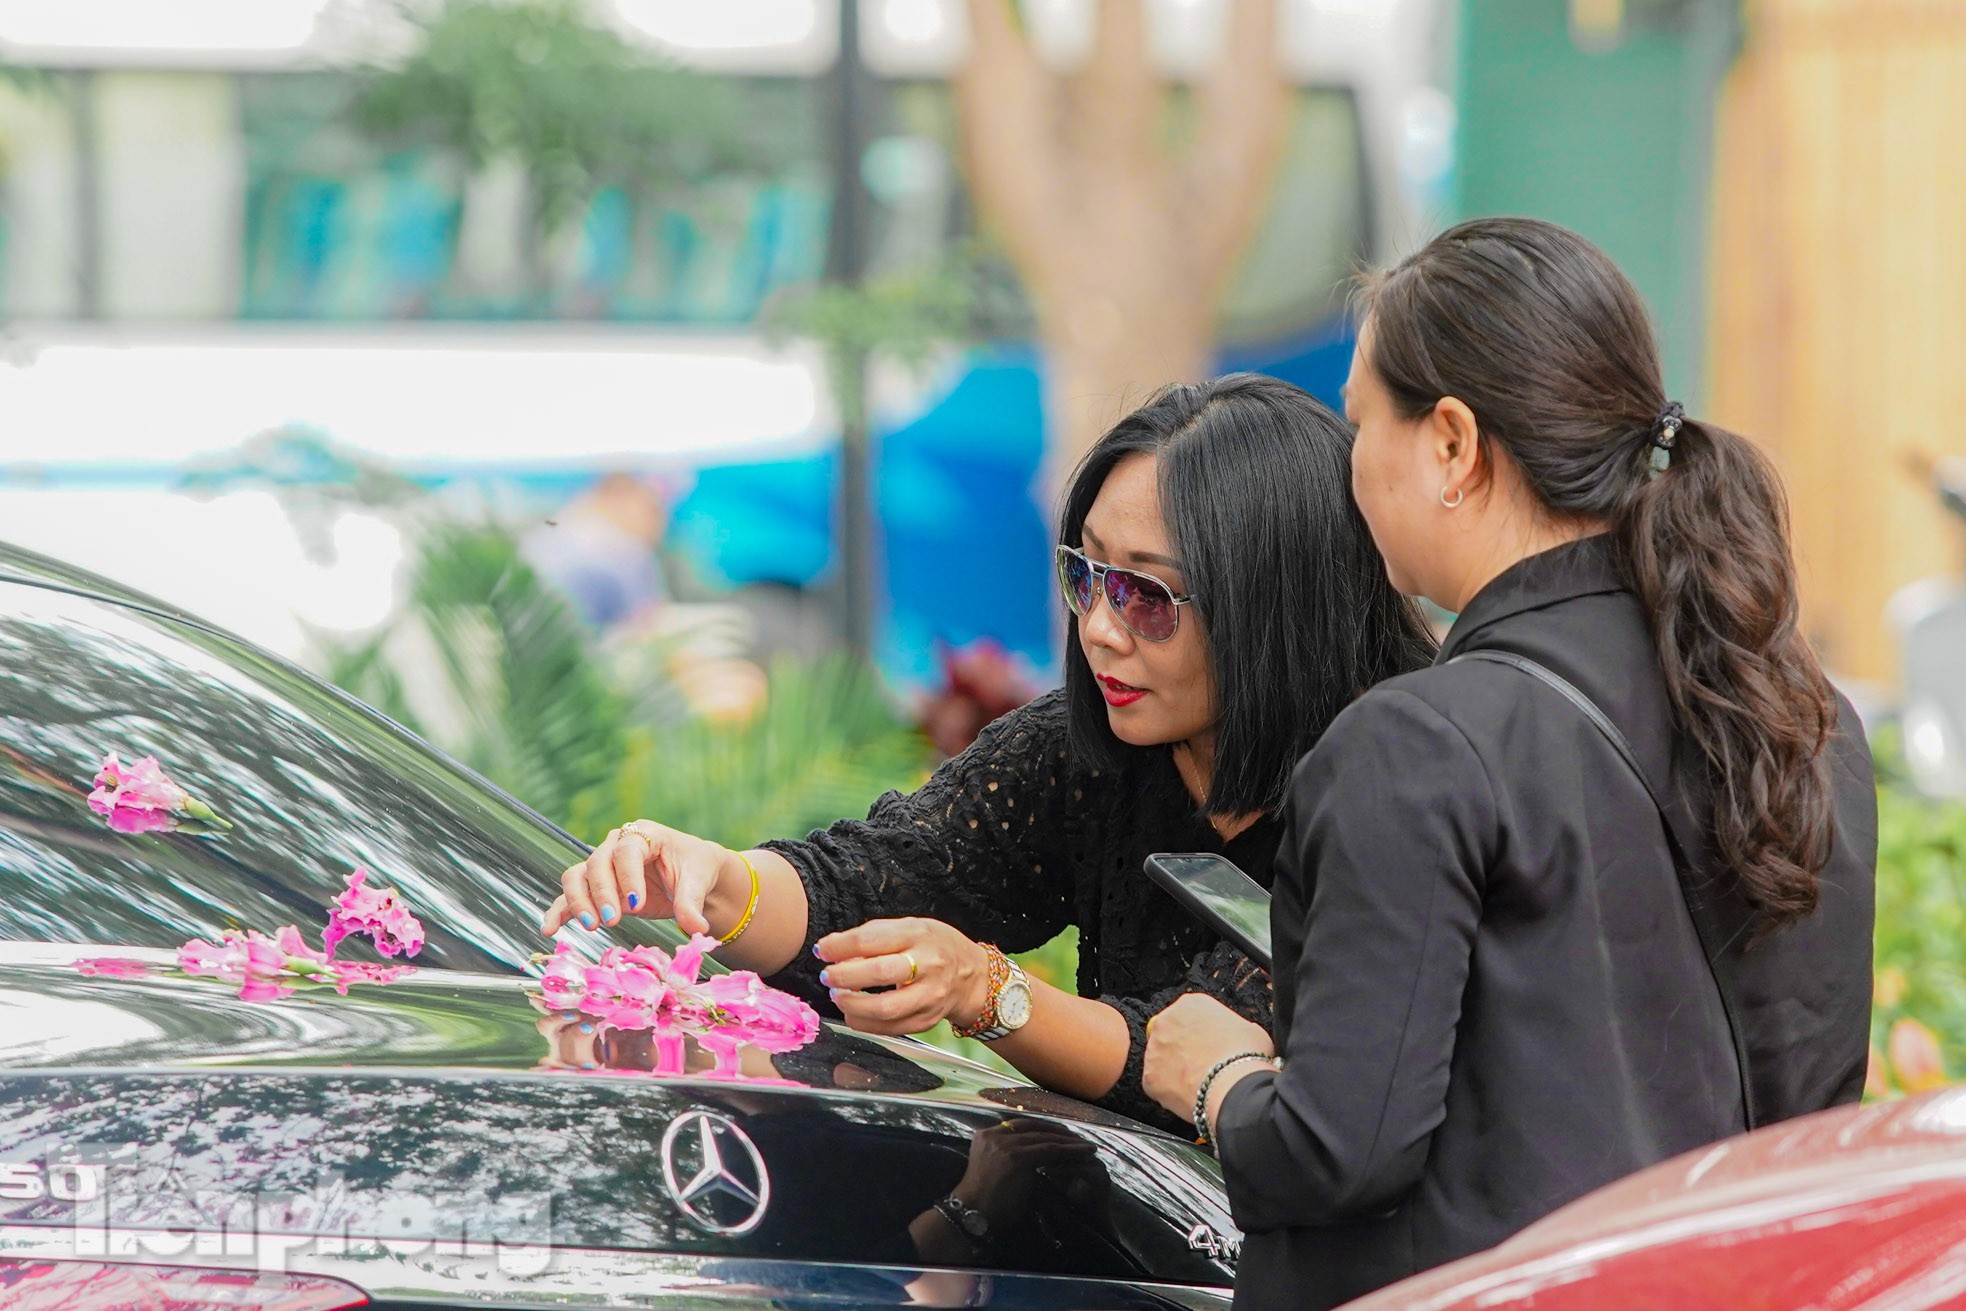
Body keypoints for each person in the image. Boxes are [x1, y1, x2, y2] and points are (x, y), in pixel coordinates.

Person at [1143, 217, 1878, 1309]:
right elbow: (1808, 1122)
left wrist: (1218, 1078)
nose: (1352, 467)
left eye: (1358, 425)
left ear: (1450, 443)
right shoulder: (1800, 720)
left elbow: (1337, 1153)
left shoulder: (1413, 744)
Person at [539, 374, 1436, 1128]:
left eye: (1146, 596)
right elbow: (880, 877)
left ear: (1272, 605)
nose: (1100, 630)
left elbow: (1183, 1054)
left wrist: (985, 989)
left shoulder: (1389, 783)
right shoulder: (1087, 748)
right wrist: (708, 879)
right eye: (1085, 576)